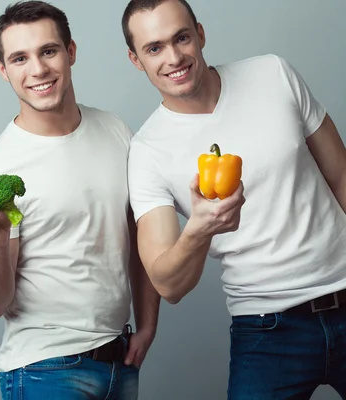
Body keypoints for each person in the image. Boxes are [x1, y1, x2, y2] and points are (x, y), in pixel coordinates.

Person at [122, 0, 346, 398]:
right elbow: (167, 284)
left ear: (201, 34)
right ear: (136, 59)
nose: (173, 57)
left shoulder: (273, 73)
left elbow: (341, 175)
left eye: (182, 37)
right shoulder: (147, 151)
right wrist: (199, 229)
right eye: (154, 48)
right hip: (266, 330)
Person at [0, 1, 161, 399]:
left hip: (118, 361)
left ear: (71, 52)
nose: (38, 70)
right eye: (19, 58)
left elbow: (141, 240)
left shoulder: (115, 130)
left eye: (48, 51)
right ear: (3, 70)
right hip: (44, 368)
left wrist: (147, 325)